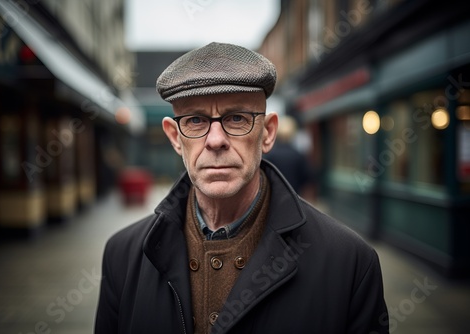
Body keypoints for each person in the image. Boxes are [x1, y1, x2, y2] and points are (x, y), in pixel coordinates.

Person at [95, 42, 389, 334]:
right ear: (174, 137)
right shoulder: (123, 256)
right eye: (196, 120)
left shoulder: (349, 264)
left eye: (236, 118)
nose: (215, 140)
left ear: (268, 133)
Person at [264, 115, 314, 197]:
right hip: (294, 198)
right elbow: (307, 180)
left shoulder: (269, 155)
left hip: (273, 198)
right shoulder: (298, 155)